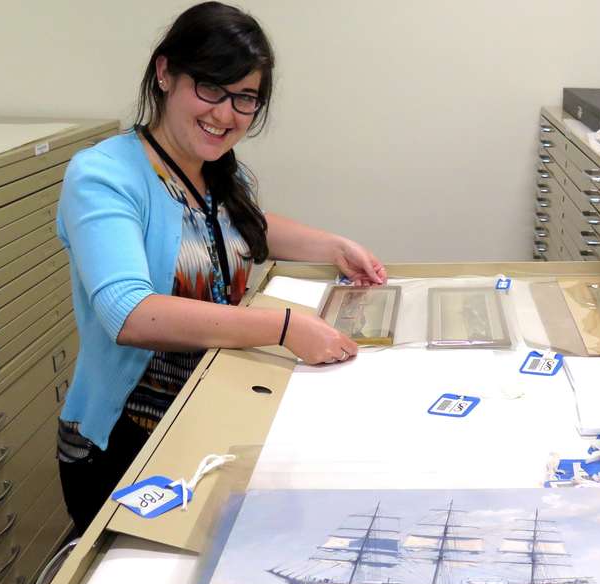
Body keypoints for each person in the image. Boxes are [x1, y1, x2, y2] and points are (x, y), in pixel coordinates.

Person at [55, 1, 386, 531]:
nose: (224, 113)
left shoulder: (218, 173)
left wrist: (333, 247)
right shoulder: (103, 176)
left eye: (244, 98)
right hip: (127, 441)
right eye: (209, 87)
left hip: (208, 412)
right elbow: (129, 313)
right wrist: (283, 328)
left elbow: (241, 226)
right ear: (165, 74)